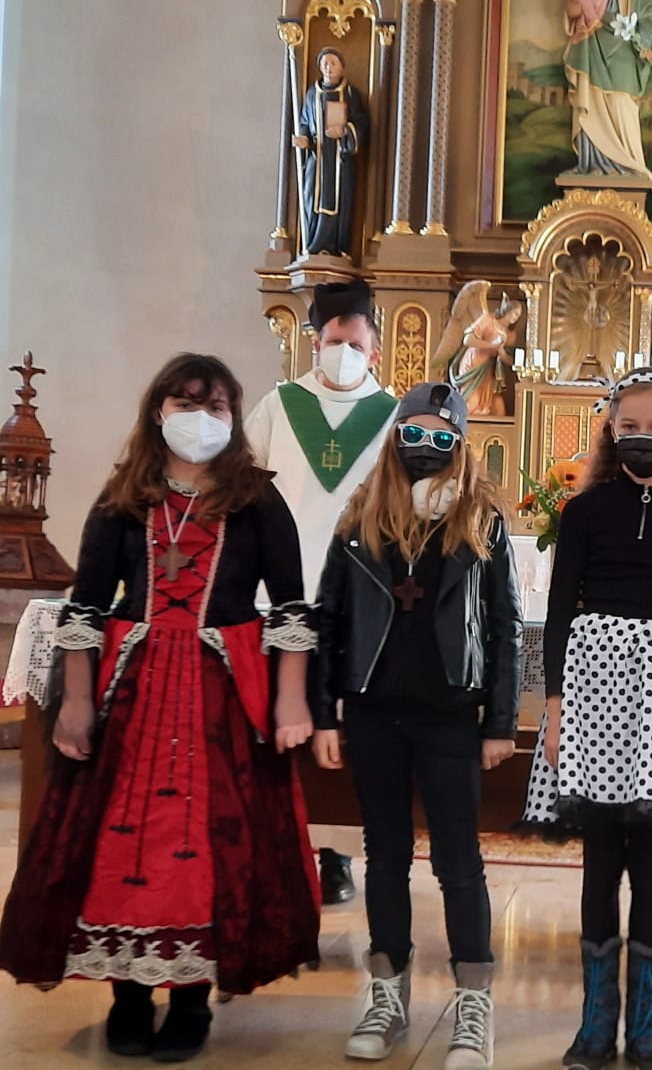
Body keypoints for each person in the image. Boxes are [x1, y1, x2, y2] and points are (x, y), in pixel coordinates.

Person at [0, 354, 320, 1062]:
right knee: (122, 839)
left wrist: (292, 698)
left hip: (223, 693)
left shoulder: (257, 499)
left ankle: (191, 999)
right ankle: (128, 995)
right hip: (134, 692)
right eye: (186, 402)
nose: (201, 417)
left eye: (216, 405)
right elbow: (85, 608)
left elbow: (292, 608)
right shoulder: (125, 496)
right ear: (158, 411)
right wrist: (76, 703)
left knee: (206, 839)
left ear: (233, 417)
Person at [311, 381, 522, 1065]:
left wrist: (499, 722)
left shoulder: (481, 523)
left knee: (459, 862)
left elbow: (504, 626)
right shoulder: (359, 519)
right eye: (413, 434)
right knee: (385, 856)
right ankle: (387, 995)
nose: (425, 447)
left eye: (440, 437)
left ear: (459, 446)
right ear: (395, 438)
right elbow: (329, 619)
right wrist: (323, 712)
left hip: (451, 716)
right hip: (373, 712)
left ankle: (473, 1004)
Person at [521, 368, 652, 1070]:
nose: (643, 437)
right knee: (602, 856)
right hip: (593, 689)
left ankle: (646, 1026)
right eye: (630, 426)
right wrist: (554, 709)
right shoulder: (583, 512)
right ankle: (595, 1022)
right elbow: (559, 613)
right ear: (610, 428)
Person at [246, 277, 397, 904]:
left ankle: (334, 855)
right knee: (274, 728)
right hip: (277, 595)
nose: (343, 353)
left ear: (375, 350)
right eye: (333, 341)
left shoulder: (392, 416)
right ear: (314, 343)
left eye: (354, 344)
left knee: (338, 736)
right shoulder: (279, 406)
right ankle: (271, 847)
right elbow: (242, 487)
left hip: (353, 603)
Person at [562, 0, 652, 179]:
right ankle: (592, 165)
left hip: (625, 46)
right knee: (591, 100)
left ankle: (630, 165)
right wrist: (572, 13)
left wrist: (644, 41)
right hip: (593, 42)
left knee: (621, 102)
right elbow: (577, 0)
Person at [293, 46, 370, 257]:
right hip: (317, 158)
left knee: (338, 201)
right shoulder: (312, 94)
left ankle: (335, 247)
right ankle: (312, 244)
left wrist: (344, 131)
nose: (328, 68)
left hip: (339, 160)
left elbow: (362, 125)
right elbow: (304, 122)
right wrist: (303, 139)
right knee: (311, 198)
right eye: (324, 64)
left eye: (333, 63)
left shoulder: (350, 94)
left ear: (341, 67)